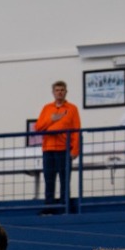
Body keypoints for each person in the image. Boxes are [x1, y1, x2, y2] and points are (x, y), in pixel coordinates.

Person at [35, 80, 82, 211]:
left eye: (62, 90)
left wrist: (75, 150)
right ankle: (49, 207)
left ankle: (64, 207)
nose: (59, 92)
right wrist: (52, 119)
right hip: (48, 149)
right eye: (57, 90)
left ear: (66, 92)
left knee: (64, 180)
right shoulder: (47, 108)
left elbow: (76, 130)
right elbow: (38, 127)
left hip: (64, 149)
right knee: (49, 180)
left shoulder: (72, 109)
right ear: (53, 93)